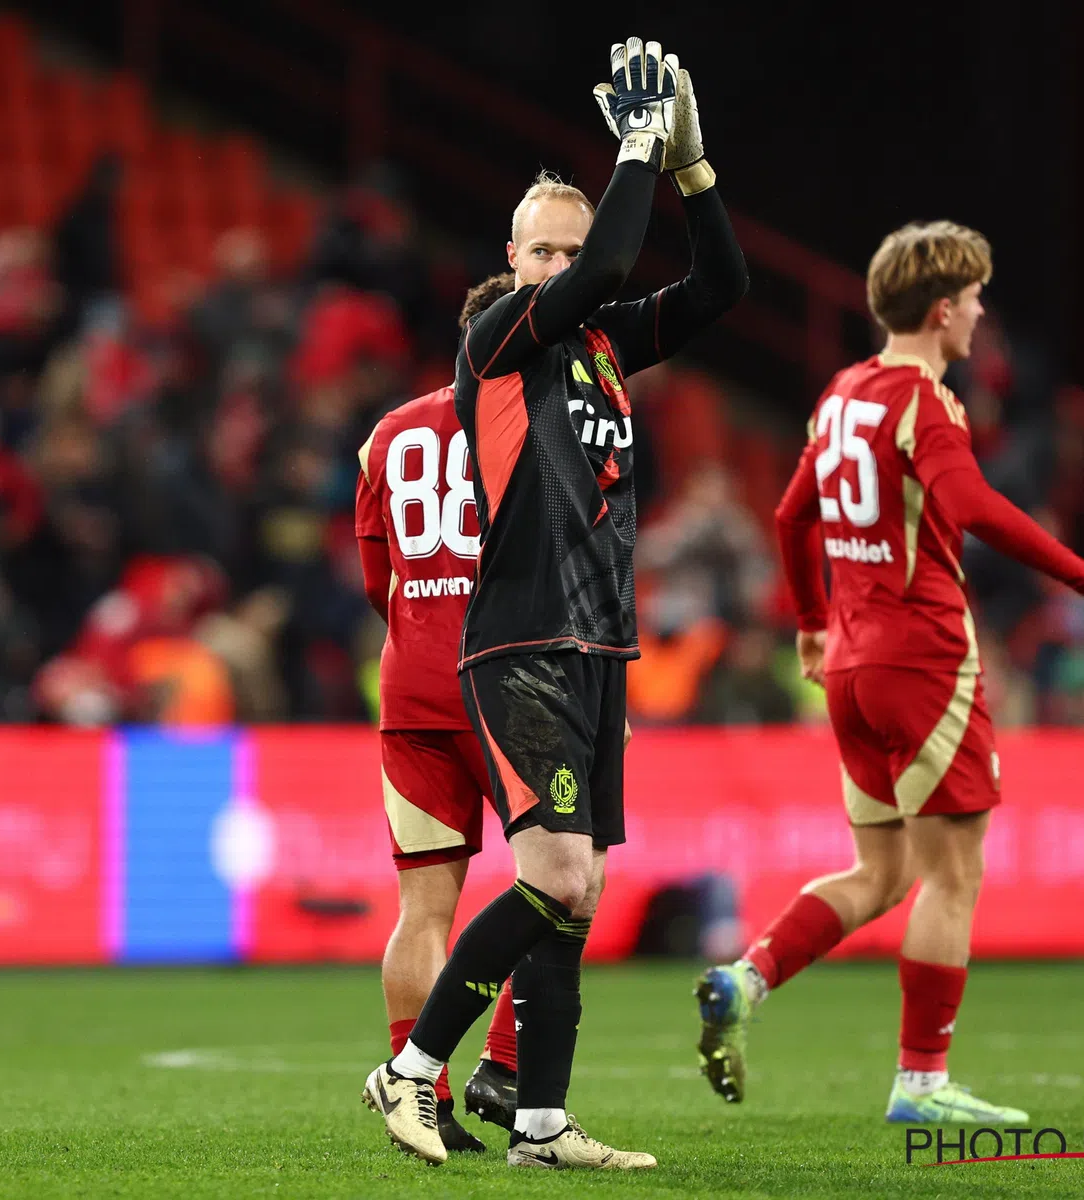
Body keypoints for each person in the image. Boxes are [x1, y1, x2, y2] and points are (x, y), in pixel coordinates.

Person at [363, 37, 747, 1168]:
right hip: (520, 639)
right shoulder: (502, 339)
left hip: (597, 646)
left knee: (576, 901)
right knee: (559, 876)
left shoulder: (602, 347)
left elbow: (721, 287)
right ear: (512, 258)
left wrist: (690, 168)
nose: (561, 266)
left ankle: (538, 1119)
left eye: (569, 249)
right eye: (542, 249)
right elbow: (612, 263)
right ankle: (412, 1069)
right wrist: (632, 146)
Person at [693, 220, 1084, 1123]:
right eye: (972, 301)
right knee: (954, 875)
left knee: (882, 872)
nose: (978, 316)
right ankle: (922, 1081)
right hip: (924, 657)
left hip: (851, 665)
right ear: (941, 308)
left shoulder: (842, 393)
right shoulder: (925, 402)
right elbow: (969, 505)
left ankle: (747, 979)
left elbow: (787, 515)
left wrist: (812, 625)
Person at [352, 373, 521, 1156]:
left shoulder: (387, 432)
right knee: (559, 885)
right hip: (510, 682)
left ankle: (424, 1096)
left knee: (422, 908)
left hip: (413, 684)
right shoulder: (532, 419)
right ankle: (508, 1068)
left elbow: (373, 578)